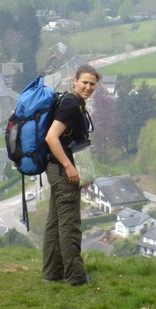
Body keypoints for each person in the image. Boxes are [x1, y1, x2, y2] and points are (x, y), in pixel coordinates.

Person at [42, 64, 100, 286]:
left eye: (92, 84)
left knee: (55, 223)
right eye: (84, 82)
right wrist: (69, 167)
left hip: (57, 169)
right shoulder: (71, 104)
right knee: (70, 226)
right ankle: (76, 277)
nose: (88, 87)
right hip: (63, 172)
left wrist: (83, 172)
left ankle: (52, 273)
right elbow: (51, 137)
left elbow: (75, 141)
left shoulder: (73, 102)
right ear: (75, 81)